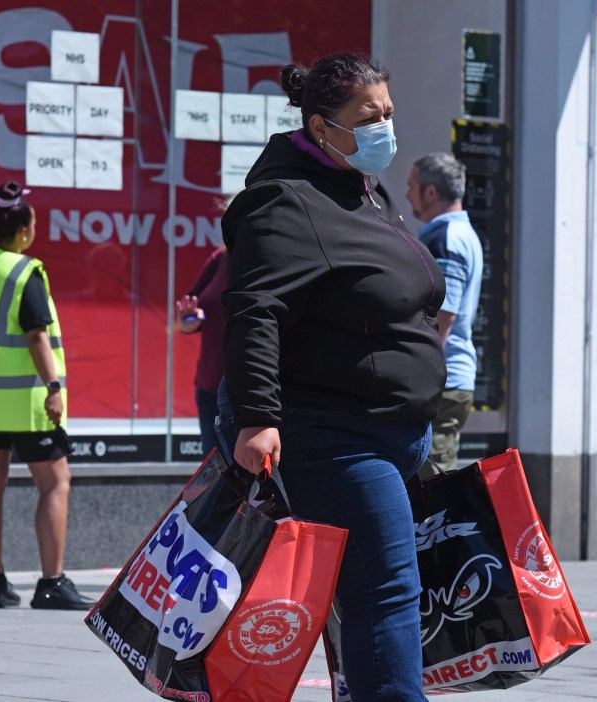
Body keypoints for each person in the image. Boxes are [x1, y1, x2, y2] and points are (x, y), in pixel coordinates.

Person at [221, 54, 446, 701]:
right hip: (334, 433)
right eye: (368, 118)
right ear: (322, 128)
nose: (385, 129)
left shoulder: (360, 188)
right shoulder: (284, 200)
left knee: (367, 595)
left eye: (389, 114)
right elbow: (255, 311)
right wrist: (259, 418)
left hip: (388, 428)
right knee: (386, 591)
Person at [0, 181, 94, 611]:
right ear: (23, 231)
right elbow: (36, 335)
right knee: (55, 483)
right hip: (25, 402)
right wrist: (53, 387)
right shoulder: (25, 271)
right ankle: (51, 582)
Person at [406, 153, 483, 476]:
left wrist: (419, 375)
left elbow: (444, 315)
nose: (408, 194)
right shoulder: (460, 234)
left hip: (441, 382)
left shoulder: (446, 239)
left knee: (433, 483)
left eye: (412, 186)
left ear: (431, 193)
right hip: (449, 379)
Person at [175, 243, 227, 459]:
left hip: (254, 392)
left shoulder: (272, 255)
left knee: (256, 476)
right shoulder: (221, 257)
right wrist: (189, 319)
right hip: (211, 388)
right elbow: (186, 318)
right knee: (216, 475)